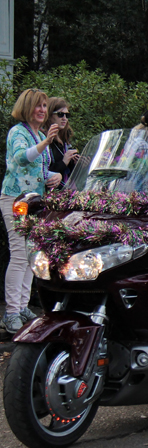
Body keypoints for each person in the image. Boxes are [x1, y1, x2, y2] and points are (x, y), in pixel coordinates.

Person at [2, 89, 63, 333]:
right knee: (19, 254)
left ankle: (22, 305)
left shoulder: (36, 133)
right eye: (38, 106)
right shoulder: (18, 132)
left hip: (34, 203)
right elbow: (21, 158)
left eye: (45, 106)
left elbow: (38, 170)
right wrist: (46, 142)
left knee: (30, 256)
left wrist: (55, 175)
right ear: (27, 107)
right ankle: (11, 312)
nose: (42, 110)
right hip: (15, 201)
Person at [43, 97, 79, 187]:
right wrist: (64, 162)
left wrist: (77, 163)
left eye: (67, 115)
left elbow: (67, 171)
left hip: (66, 190)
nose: (64, 118)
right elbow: (42, 171)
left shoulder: (64, 139)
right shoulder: (44, 139)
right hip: (50, 192)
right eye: (60, 114)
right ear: (49, 115)